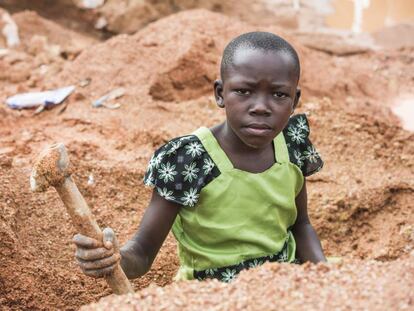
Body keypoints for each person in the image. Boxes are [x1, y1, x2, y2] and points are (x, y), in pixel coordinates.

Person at [73, 32, 326, 283]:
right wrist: (114, 260)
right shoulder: (188, 161)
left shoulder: (291, 146)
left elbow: (301, 225)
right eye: (244, 91)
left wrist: (325, 278)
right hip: (211, 294)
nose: (261, 106)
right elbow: (142, 251)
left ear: (295, 100)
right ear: (220, 93)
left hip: (285, 283)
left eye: (279, 94)